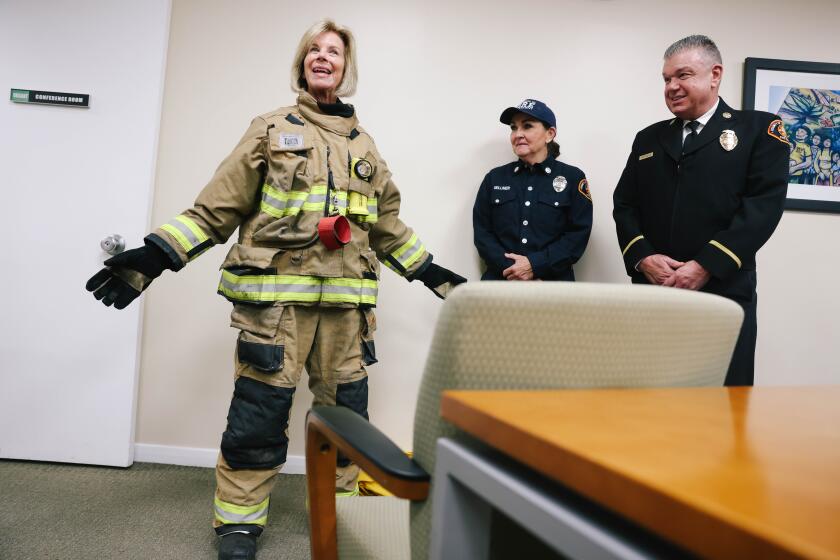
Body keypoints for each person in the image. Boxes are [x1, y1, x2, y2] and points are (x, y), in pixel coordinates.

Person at [86, 19, 465, 560]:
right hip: (276, 311)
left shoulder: (367, 147)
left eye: (333, 51)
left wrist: (433, 273)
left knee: (347, 421)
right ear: (301, 63)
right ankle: (238, 525)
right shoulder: (269, 129)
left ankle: (340, 512)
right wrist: (156, 255)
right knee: (259, 415)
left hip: (347, 316)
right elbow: (215, 210)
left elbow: (386, 227)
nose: (322, 57)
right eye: (313, 49)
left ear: (346, 68)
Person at [612, 35, 789, 387]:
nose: (672, 87)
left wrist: (706, 265)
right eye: (666, 79)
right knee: (650, 403)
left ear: (715, 74)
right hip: (654, 292)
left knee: (722, 408)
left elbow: (762, 208)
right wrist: (643, 257)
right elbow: (625, 206)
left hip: (722, 293)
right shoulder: (648, 138)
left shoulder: (759, 130)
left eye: (683, 75)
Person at [473, 99, 592, 281]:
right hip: (501, 285)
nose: (517, 134)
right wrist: (514, 271)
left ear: (549, 134)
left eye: (527, 126)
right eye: (513, 128)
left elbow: (577, 235)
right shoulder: (494, 178)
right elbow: (483, 234)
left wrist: (535, 266)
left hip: (552, 287)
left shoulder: (573, 178)